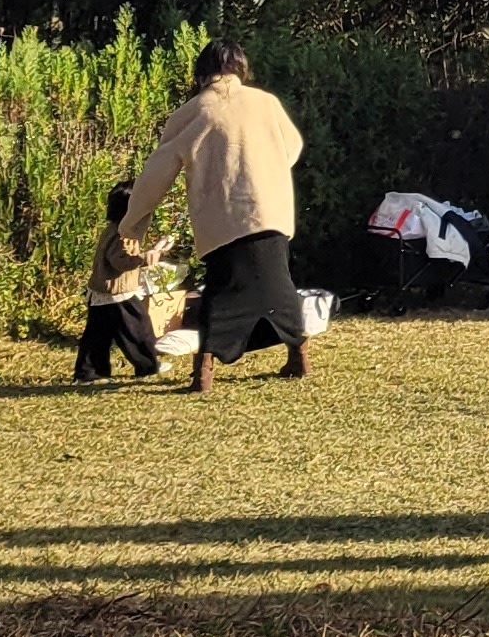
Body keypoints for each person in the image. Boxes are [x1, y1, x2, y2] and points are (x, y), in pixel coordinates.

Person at [124, 40, 312, 393]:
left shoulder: (193, 112)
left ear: (201, 72)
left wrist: (134, 220)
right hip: (270, 213)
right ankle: (298, 356)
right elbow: (292, 147)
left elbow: (156, 174)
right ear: (240, 68)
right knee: (280, 289)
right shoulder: (266, 103)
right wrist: (265, 172)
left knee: (221, 293)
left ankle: (204, 374)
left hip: (223, 220)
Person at [72, 181, 169, 384]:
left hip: (102, 291)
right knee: (137, 329)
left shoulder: (114, 229)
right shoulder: (124, 234)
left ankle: (89, 372)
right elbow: (119, 260)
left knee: (98, 335)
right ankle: (148, 366)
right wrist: (143, 259)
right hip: (118, 293)